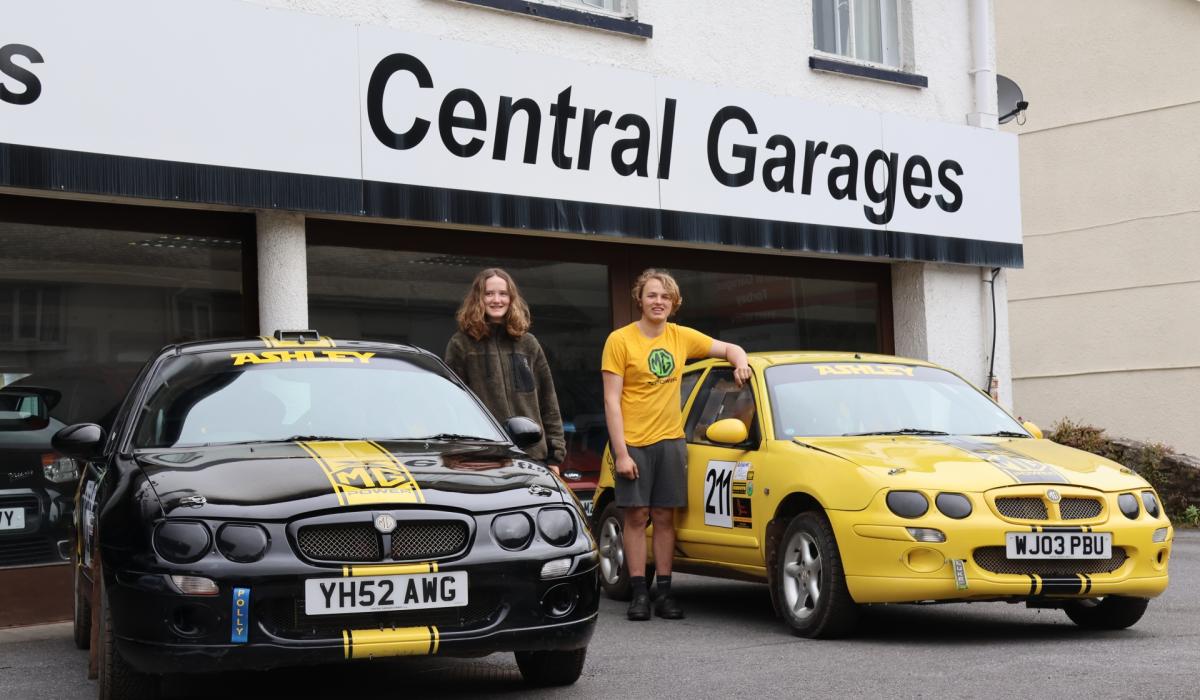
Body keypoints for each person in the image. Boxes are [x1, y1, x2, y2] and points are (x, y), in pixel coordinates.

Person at [601, 268, 750, 621]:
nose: (658, 302)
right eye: (652, 295)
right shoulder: (619, 340)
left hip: (671, 441)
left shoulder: (680, 337)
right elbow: (611, 401)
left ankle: (664, 592)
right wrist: (620, 452)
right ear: (640, 299)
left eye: (665, 297)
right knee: (636, 517)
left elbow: (729, 348)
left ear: (674, 303)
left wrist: (740, 361)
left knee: (665, 518)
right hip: (634, 442)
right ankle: (639, 592)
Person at [445, 268, 566, 472]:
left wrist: (555, 455)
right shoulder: (461, 344)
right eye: (489, 293)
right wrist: (457, 452)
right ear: (478, 298)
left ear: (511, 299)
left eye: (503, 294)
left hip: (532, 456)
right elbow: (451, 404)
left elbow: (548, 400)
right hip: (481, 457)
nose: (496, 300)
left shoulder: (528, 343)